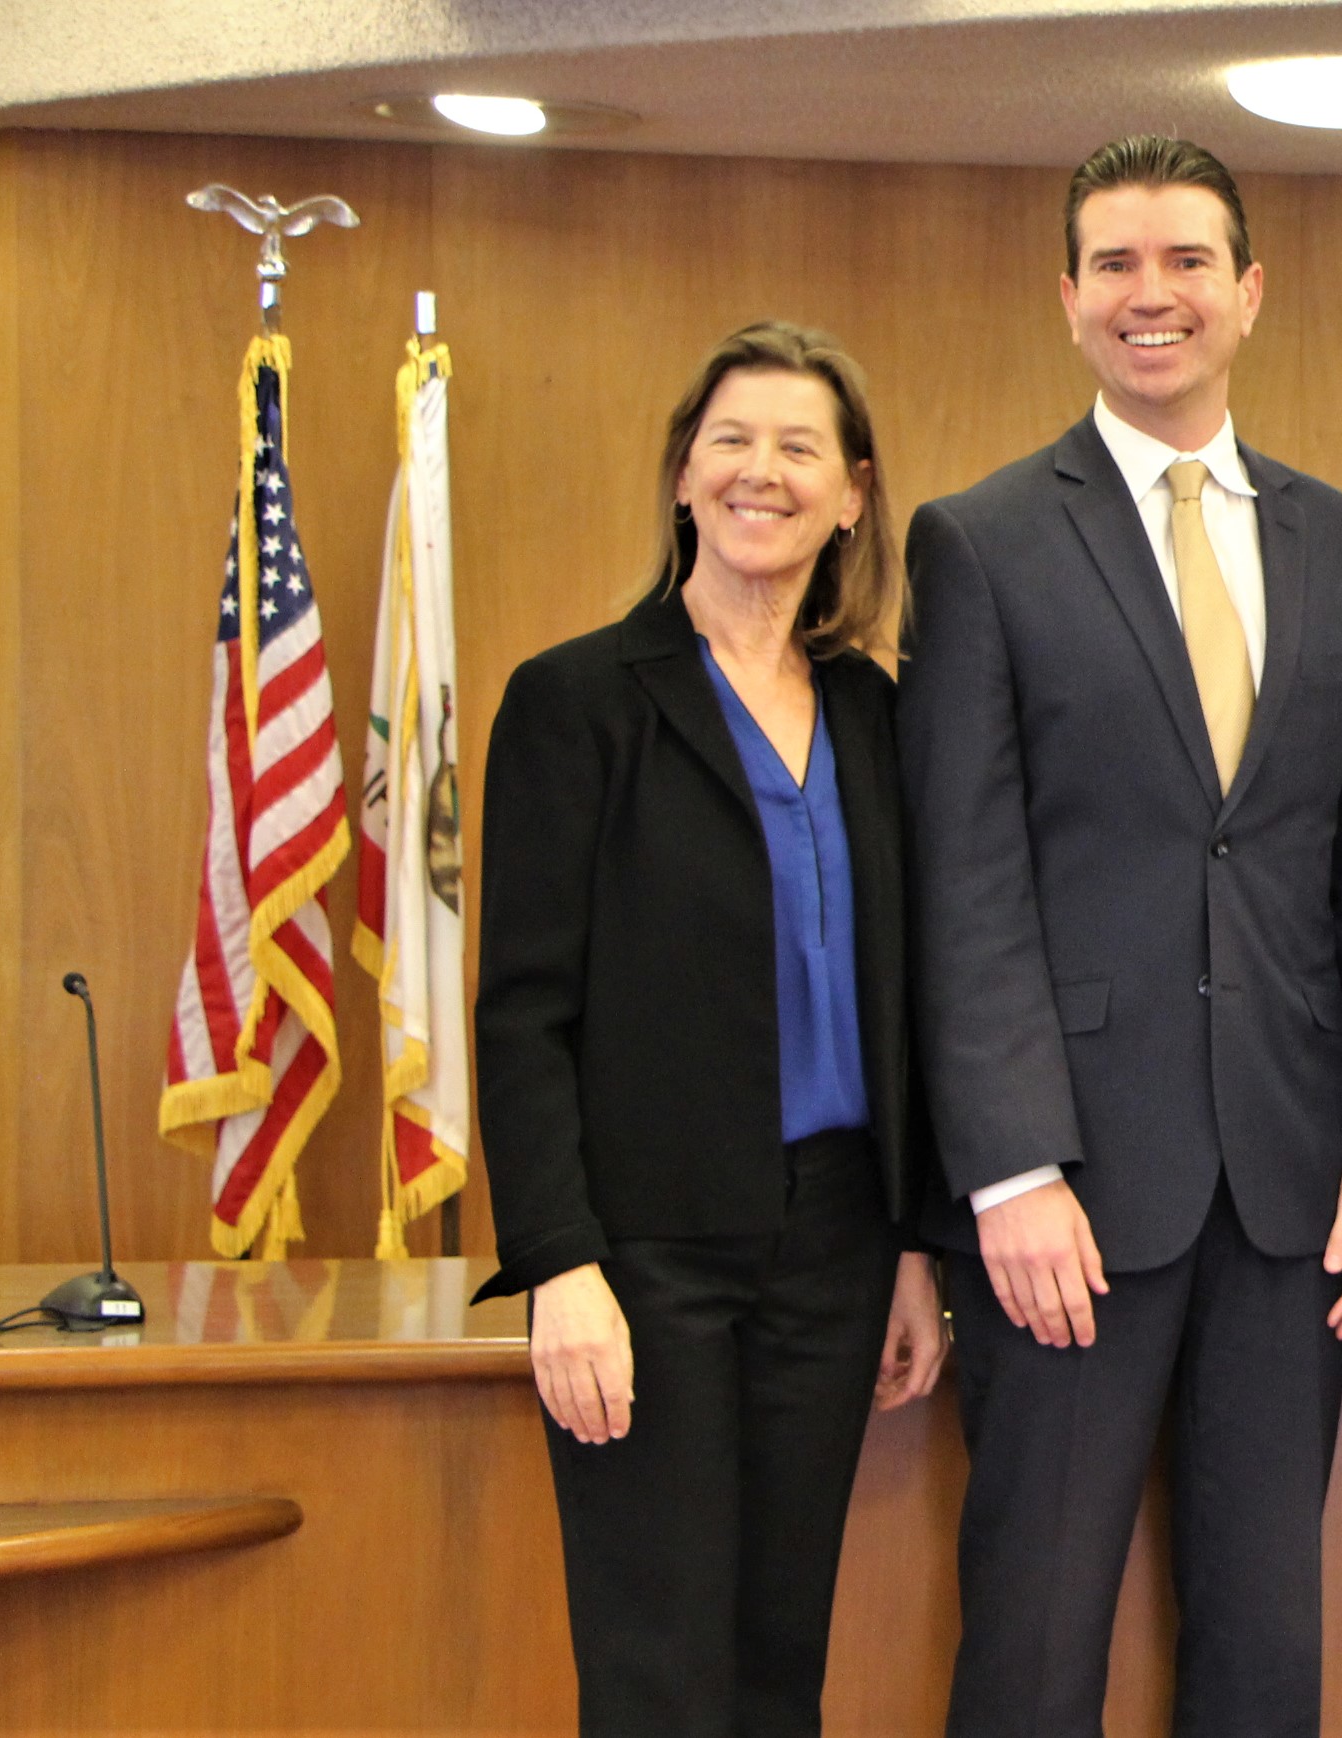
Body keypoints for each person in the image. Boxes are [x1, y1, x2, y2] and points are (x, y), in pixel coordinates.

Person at [900, 135, 1342, 1738]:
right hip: (1066, 1203)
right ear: (1068, 300)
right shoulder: (979, 539)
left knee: (1266, 1647)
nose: (1153, 294)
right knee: (1039, 1639)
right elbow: (963, 878)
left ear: (1249, 292)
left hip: (1289, 1199)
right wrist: (1008, 1167)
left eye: (1187, 260)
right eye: (1116, 263)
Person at [474, 319, 949, 1736]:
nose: (764, 471)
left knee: (775, 1659)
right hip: (646, 1253)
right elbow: (521, 1012)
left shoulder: (876, 712)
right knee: (657, 1666)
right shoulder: (576, 701)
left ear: (854, 493)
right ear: (684, 472)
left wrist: (915, 1242)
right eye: (732, 440)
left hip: (837, 1237)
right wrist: (559, 1263)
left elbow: (908, 1001)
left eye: (802, 446)